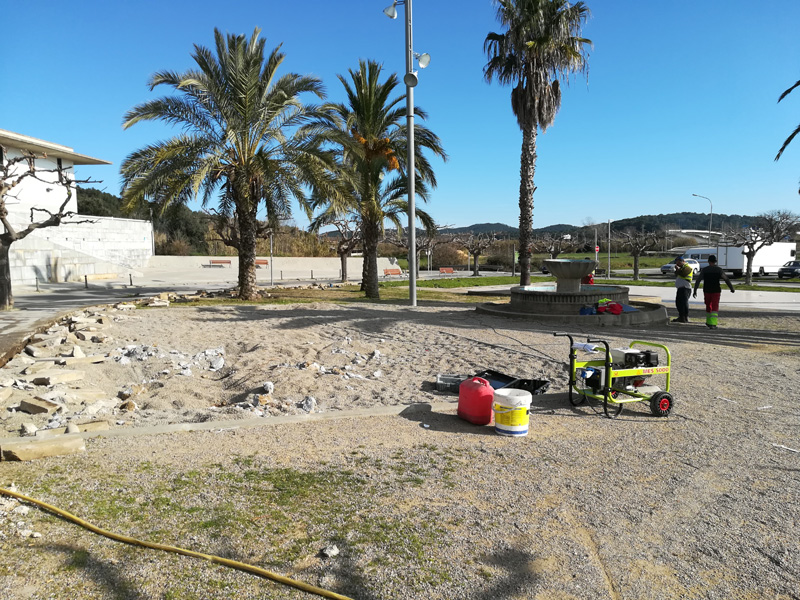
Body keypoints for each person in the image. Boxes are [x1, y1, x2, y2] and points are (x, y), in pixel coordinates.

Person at [692, 255, 735, 329]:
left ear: (708, 261)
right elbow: (726, 279)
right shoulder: (719, 270)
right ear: (715, 261)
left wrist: (695, 290)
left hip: (707, 290)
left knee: (708, 305)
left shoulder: (705, 270)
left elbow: (698, 280)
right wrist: (731, 288)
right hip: (716, 290)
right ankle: (713, 323)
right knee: (715, 306)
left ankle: (708, 322)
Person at [672, 257, 693, 323]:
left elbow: (683, 274)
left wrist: (678, 270)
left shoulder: (688, 267)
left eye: (678, 262)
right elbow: (677, 274)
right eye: (676, 263)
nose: (677, 264)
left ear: (683, 261)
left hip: (685, 287)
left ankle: (685, 316)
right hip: (680, 288)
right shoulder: (680, 268)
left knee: (684, 303)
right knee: (678, 303)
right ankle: (681, 316)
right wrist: (677, 270)